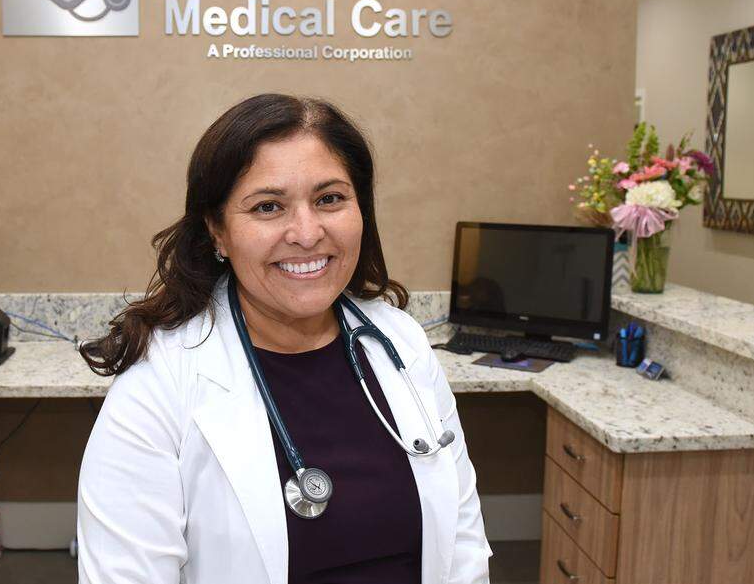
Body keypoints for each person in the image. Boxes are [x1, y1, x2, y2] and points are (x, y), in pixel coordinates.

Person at [77, 94, 491, 584]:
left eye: (330, 199)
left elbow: (463, 541)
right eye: (268, 207)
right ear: (218, 232)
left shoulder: (400, 342)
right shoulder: (158, 385)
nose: (307, 232)